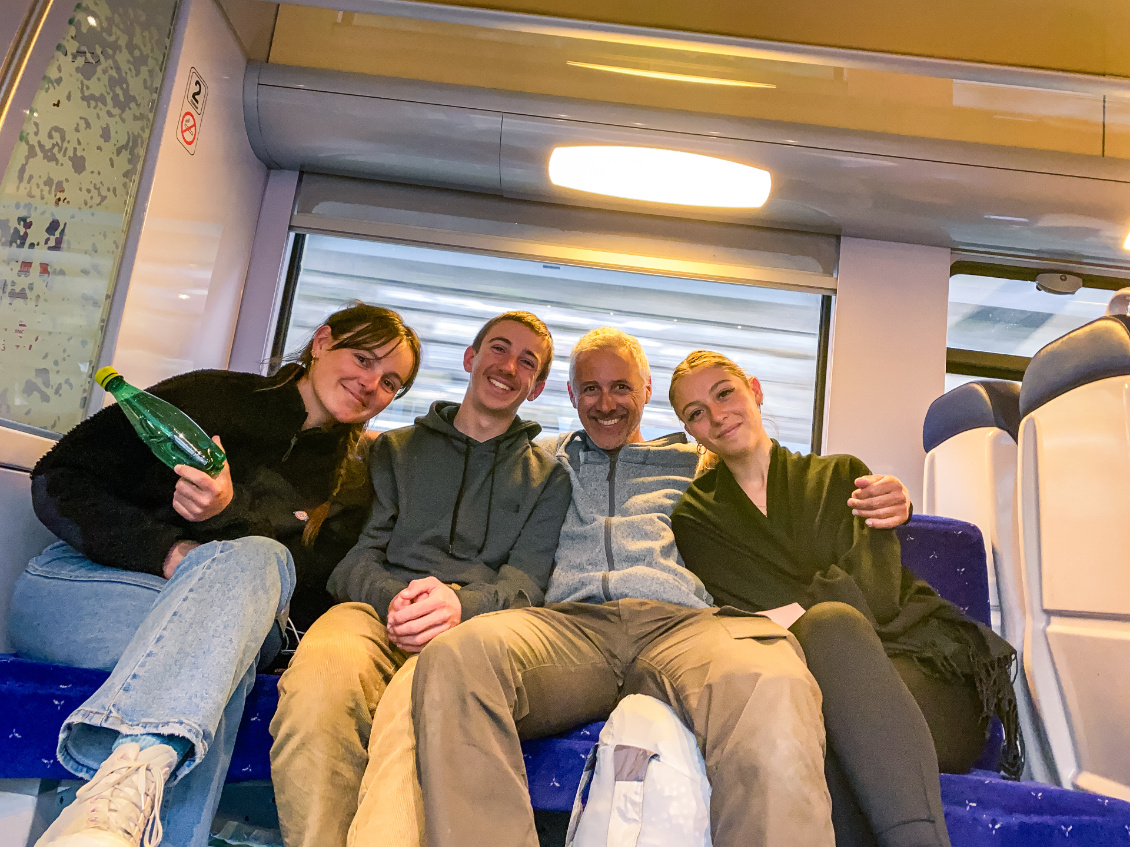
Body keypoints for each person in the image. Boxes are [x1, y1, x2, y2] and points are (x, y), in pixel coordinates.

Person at [409, 327, 912, 847]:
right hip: (566, 628)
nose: (606, 403)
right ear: (571, 396)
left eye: (621, 387)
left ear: (646, 391)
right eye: (590, 389)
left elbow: (777, 483)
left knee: (772, 676)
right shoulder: (540, 458)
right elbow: (466, 454)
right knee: (458, 657)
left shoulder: (699, 463)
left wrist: (891, 499)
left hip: (684, 626)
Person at [12, 302, 421, 847]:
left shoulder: (353, 481)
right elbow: (58, 480)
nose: (371, 383)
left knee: (248, 587)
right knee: (224, 649)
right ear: (322, 342)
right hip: (85, 589)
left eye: (390, 381)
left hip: (231, 628)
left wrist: (225, 515)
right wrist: (170, 552)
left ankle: (112, 810)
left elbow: (303, 590)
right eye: (363, 358)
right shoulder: (209, 397)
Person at [668, 350, 1022, 847]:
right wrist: (827, 598)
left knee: (831, 631)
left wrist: (810, 609)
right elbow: (764, 622)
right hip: (808, 690)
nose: (716, 414)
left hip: (927, 678)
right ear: (691, 431)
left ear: (754, 390)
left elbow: (873, 598)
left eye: (724, 393)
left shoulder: (844, 478)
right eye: (695, 413)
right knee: (811, 708)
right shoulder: (696, 518)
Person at [269, 311, 572, 847]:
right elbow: (354, 560)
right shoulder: (392, 449)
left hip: (472, 630)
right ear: (470, 359)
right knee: (317, 686)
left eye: (528, 361)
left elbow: (527, 586)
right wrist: (400, 602)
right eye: (497, 349)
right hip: (377, 611)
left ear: (538, 386)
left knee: (413, 718)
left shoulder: (549, 479)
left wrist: (457, 607)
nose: (508, 366)